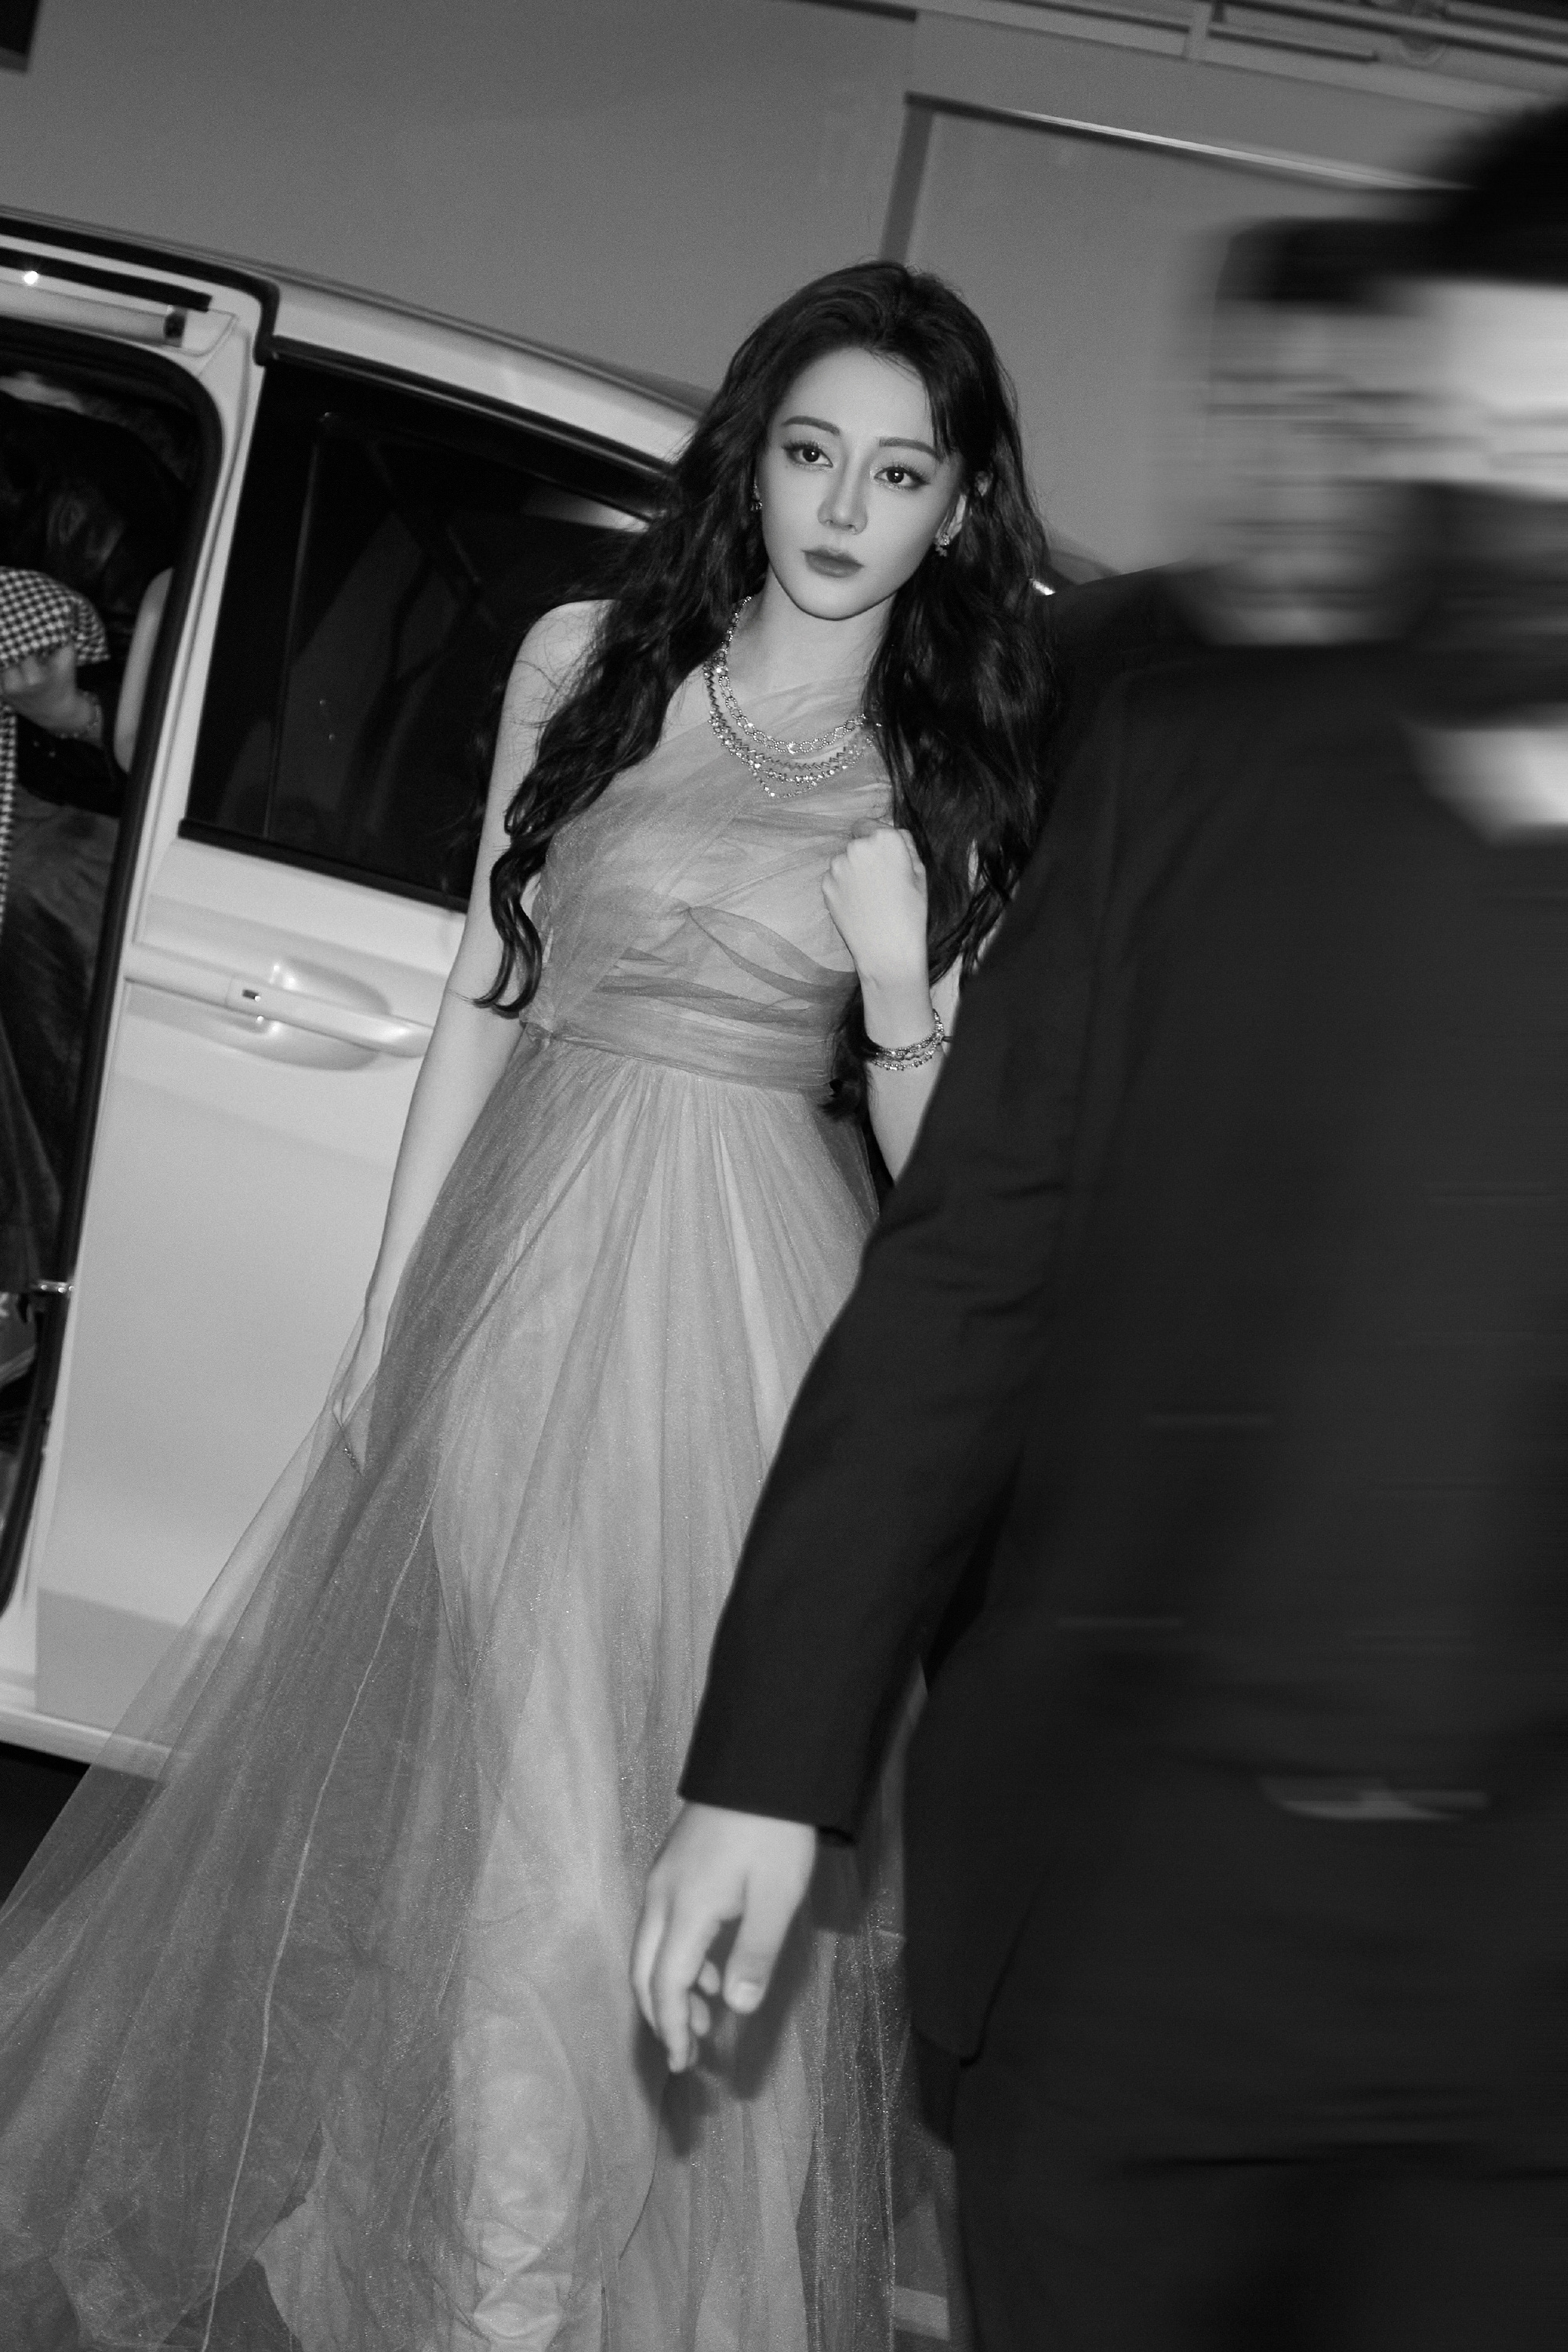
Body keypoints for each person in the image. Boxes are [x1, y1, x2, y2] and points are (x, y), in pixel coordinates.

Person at [0, 261, 1053, 2351]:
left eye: (900, 472)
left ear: (957, 509)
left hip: (746, 1328)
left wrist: (897, 980)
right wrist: (396, 1315)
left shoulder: (949, 768)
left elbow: (943, 1166)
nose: (845, 509)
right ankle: (496, 2260)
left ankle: (525, 2279)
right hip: (520, 1282)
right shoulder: (587, 660)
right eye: (813, 453)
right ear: (753, 459)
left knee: (619, 1821)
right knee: (517, 1813)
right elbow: (491, 994)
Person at [636, 106, 1568, 2351]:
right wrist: (770, 1770)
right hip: (1138, 1918)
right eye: (1482, 433)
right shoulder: (1191, 778)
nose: (1516, 503)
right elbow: (969, 1284)